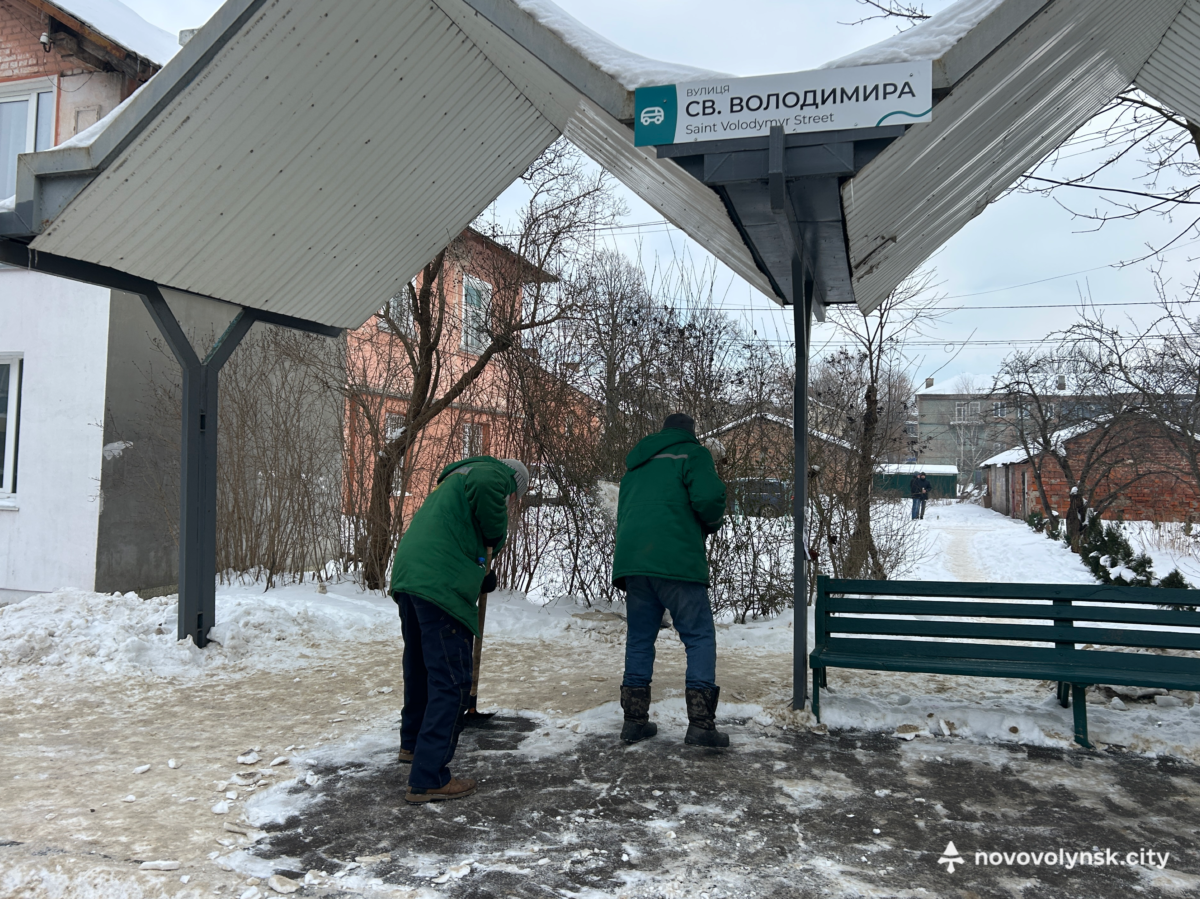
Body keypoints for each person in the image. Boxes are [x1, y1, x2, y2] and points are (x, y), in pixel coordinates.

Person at [390, 454, 529, 803]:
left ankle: (412, 744)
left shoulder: (453, 482)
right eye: (512, 495)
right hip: (438, 582)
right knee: (451, 681)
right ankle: (429, 777)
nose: (508, 499)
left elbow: (454, 534)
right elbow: (487, 489)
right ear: (514, 482)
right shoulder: (491, 474)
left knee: (421, 666)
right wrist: (496, 536)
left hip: (411, 574)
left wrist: (478, 571)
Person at [612, 412, 729, 748]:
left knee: (639, 639)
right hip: (676, 559)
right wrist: (707, 523)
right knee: (699, 636)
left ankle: (634, 722)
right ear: (691, 433)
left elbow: (627, 510)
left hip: (634, 561)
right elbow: (708, 500)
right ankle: (701, 726)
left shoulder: (637, 462)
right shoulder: (694, 453)